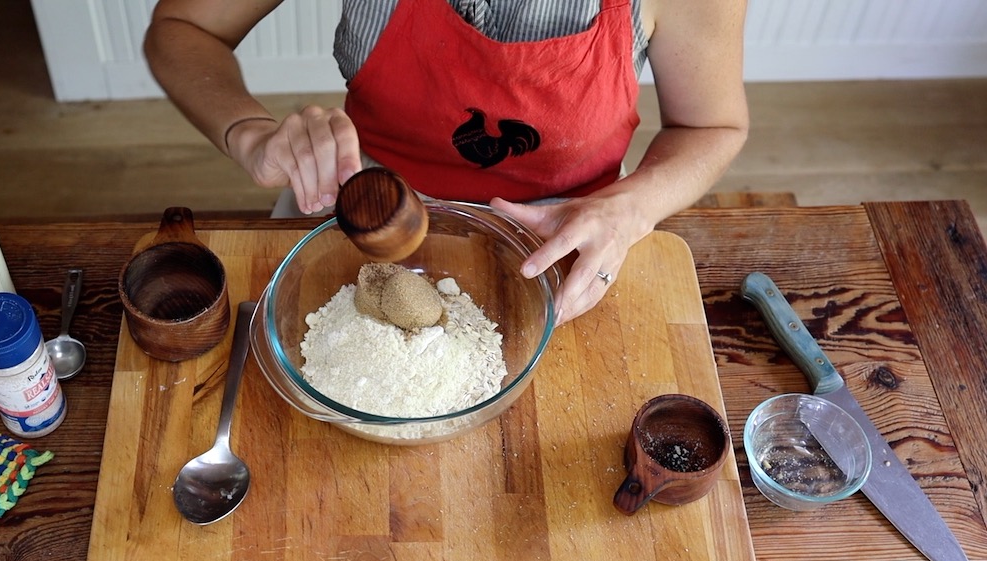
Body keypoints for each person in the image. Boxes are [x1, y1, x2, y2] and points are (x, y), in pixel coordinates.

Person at [144, 0, 749, 325]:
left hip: (565, 237)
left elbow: (712, 126)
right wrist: (250, 134)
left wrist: (632, 208)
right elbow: (183, 25)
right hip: (358, 206)